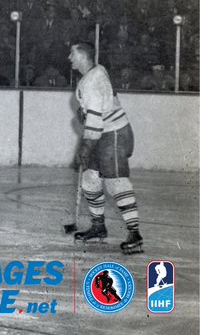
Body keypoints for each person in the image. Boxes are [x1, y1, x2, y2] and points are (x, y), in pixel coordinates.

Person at [69, 42, 142, 254]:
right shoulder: (95, 71)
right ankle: (99, 227)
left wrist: (83, 150)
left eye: (72, 53)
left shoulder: (93, 81)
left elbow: (95, 124)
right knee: (90, 179)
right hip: (104, 133)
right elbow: (99, 107)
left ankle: (134, 233)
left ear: (83, 56)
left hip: (114, 134)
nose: (69, 57)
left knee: (116, 183)